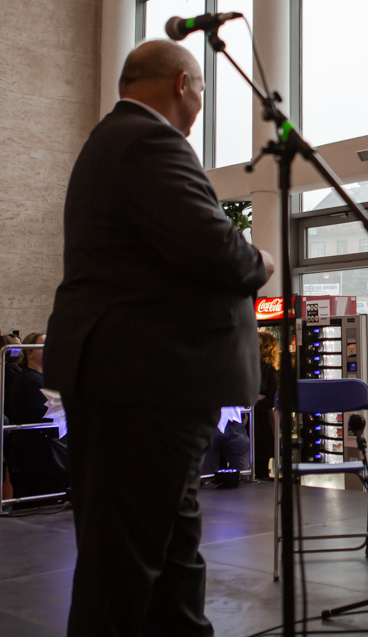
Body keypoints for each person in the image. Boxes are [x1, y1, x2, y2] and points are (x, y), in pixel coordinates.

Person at [45, 39, 272, 637]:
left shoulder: (114, 141)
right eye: (202, 87)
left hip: (140, 379)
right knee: (122, 567)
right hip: (144, 382)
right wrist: (263, 261)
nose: (201, 99)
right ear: (182, 84)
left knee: (171, 554)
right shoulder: (149, 142)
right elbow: (220, 252)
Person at [7, 333, 69, 502]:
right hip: (35, 457)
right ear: (30, 352)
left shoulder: (41, 378)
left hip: (42, 455)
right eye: (43, 345)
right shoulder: (29, 380)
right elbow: (42, 415)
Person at [253, 330, 279, 480]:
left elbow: (272, 398)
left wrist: (252, 403)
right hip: (260, 421)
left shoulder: (268, 370)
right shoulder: (265, 368)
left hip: (261, 423)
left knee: (260, 463)